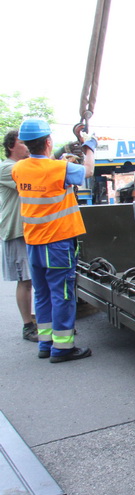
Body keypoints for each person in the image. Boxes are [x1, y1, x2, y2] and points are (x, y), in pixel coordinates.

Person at [11, 118, 96, 363]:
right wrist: (89, 147)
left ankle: (46, 343)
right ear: (48, 142)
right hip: (57, 242)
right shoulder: (59, 169)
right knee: (62, 294)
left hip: (34, 243)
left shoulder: (18, 169)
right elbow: (88, 171)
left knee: (43, 294)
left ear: (26, 144)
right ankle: (63, 348)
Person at [0, 130, 36, 342]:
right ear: (11, 146)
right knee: (25, 280)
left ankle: (40, 320)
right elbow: (35, 172)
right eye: (23, 142)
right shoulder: (6, 168)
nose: (27, 146)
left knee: (37, 278)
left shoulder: (26, 166)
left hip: (33, 230)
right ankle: (27, 326)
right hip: (16, 230)